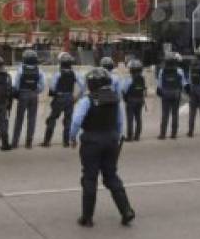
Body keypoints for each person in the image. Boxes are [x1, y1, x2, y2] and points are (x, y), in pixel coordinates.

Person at [70, 68, 135, 228]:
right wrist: (115, 137)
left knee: (90, 177)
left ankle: (87, 217)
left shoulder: (88, 100)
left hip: (92, 141)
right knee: (111, 176)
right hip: (111, 140)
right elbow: (120, 122)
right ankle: (126, 210)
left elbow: (77, 120)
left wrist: (72, 136)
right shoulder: (115, 99)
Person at [43, 52, 84, 147]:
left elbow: (52, 87)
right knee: (68, 120)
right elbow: (83, 86)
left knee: (52, 119)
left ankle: (47, 141)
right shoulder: (75, 74)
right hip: (70, 98)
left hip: (59, 98)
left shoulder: (58, 74)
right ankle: (66, 142)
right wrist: (77, 97)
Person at [12, 49, 45, 149]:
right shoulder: (39, 70)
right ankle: (29, 143)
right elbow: (42, 86)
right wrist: (35, 91)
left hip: (23, 94)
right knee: (32, 119)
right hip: (34, 94)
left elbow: (16, 84)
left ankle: (15, 142)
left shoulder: (20, 69)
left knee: (19, 119)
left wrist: (18, 92)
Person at [156, 52, 183, 140]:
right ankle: (173, 134)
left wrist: (160, 92)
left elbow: (159, 84)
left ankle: (162, 134)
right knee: (175, 114)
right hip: (176, 94)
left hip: (165, 93)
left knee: (165, 114)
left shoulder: (162, 70)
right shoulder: (179, 70)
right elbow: (183, 82)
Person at [121, 58, 146, 141]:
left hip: (131, 100)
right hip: (139, 100)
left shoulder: (129, 79)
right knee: (138, 118)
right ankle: (137, 136)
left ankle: (130, 136)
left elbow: (124, 90)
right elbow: (143, 90)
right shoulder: (142, 79)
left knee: (130, 119)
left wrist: (125, 98)